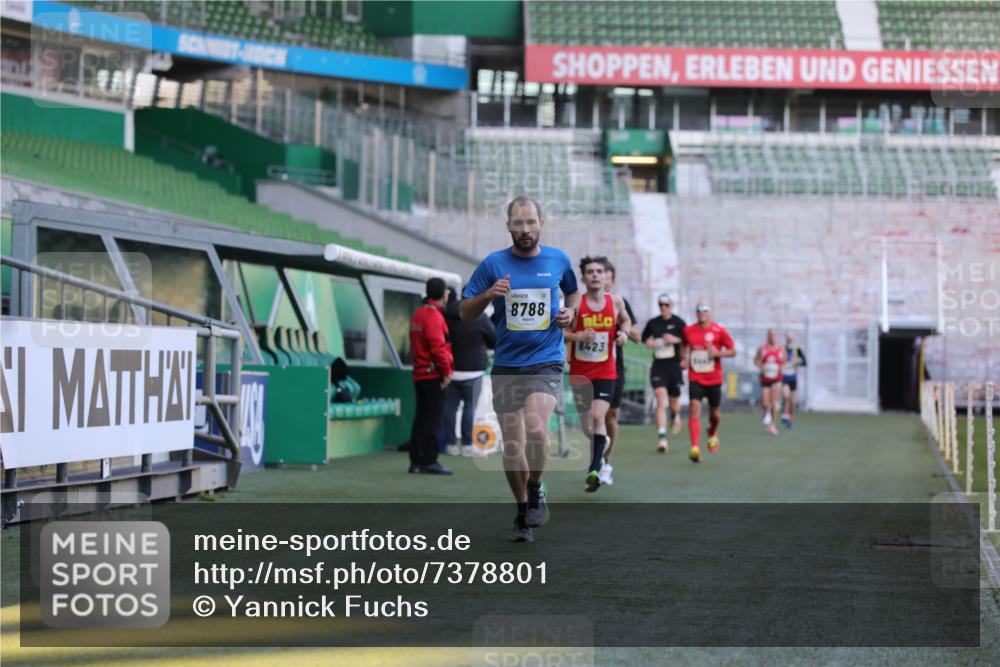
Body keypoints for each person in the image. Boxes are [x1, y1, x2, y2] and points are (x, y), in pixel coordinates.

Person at [461, 196, 579, 543]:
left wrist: (570, 313)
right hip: (507, 363)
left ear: (541, 223)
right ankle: (522, 510)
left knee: (536, 428)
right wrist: (487, 295)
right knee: (513, 446)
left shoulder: (559, 259)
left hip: (546, 358)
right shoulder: (492, 264)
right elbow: (465, 312)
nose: (525, 229)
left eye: (531, 222)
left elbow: (572, 294)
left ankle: (536, 487)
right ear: (508, 226)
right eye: (518, 223)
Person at [565, 256, 631, 493]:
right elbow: (559, 333)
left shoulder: (615, 302)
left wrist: (623, 333)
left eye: (599, 271)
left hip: (606, 370)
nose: (594, 275)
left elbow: (626, 320)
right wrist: (578, 337)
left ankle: (594, 469)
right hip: (581, 373)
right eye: (590, 272)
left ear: (606, 277)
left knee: (597, 417)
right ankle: (600, 459)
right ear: (583, 278)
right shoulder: (575, 305)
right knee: (587, 426)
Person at [407, 278, 454, 475]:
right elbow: (438, 348)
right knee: (433, 420)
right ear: (443, 294)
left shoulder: (418, 314)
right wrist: (446, 373)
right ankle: (429, 461)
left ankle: (416, 461)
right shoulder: (434, 317)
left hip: (420, 374)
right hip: (433, 375)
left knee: (421, 418)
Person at [443, 286, 496, 456]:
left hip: (451, 369)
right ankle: (466, 445)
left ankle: (450, 444)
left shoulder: (447, 316)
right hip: (474, 370)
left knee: (450, 407)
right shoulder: (481, 318)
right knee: (469, 407)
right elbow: (494, 339)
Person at [600, 260, 640, 486]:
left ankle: (606, 461)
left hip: (614, 367)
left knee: (609, 417)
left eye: (605, 275)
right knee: (592, 419)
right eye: (595, 273)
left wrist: (620, 326)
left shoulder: (619, 304)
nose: (600, 278)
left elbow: (637, 335)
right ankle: (597, 454)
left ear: (611, 280)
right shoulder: (581, 302)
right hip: (586, 369)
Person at [682, 300, 736, 463]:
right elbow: (683, 346)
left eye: (705, 309)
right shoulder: (688, 330)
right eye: (698, 309)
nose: (701, 312)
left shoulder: (719, 331)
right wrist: (683, 358)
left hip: (714, 378)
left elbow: (733, 351)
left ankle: (712, 432)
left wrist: (719, 353)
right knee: (694, 409)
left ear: (710, 312)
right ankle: (695, 447)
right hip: (696, 376)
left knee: (715, 415)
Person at [641, 293, 687, 452]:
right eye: (661, 304)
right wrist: (650, 342)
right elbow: (644, 338)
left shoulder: (678, 322)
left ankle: (675, 415)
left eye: (666, 304)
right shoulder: (653, 323)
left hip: (674, 366)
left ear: (671, 305)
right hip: (658, 365)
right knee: (661, 400)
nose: (663, 307)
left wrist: (676, 340)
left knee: (674, 401)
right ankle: (662, 438)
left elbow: (687, 340)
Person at [755, 329, 785, 435]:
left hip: (777, 379)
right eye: (771, 335)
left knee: (773, 402)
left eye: (775, 335)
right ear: (768, 336)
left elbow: (784, 362)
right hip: (765, 379)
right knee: (765, 403)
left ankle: (772, 424)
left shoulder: (781, 349)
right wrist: (761, 367)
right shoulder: (762, 348)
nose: (773, 337)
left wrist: (781, 368)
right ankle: (764, 411)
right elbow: (756, 360)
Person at [781, 331, 807, 428]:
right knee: (786, 395)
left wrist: (797, 362)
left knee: (792, 401)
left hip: (793, 377)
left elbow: (805, 362)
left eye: (791, 337)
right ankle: (785, 413)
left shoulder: (796, 349)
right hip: (784, 377)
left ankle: (789, 418)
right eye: (788, 337)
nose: (790, 338)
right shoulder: (782, 349)